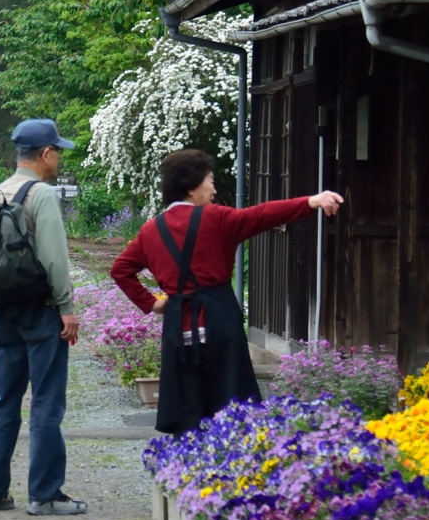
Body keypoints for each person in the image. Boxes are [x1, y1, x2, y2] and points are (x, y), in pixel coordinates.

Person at [110, 149, 343, 436]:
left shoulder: (151, 230)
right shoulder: (216, 219)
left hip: (178, 326)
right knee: (229, 404)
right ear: (192, 185)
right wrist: (310, 201)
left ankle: (188, 471)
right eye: (210, 180)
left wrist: (154, 304)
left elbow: (121, 269)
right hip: (219, 322)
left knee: (188, 408)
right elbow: (262, 215)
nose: (214, 188)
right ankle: (230, 468)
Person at [0, 119, 87, 516]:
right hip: (42, 313)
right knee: (46, 405)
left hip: (4, 311)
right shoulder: (41, 194)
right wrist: (67, 309)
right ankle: (44, 494)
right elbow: (55, 258)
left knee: (4, 402)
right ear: (44, 154)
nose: (58, 157)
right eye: (57, 150)